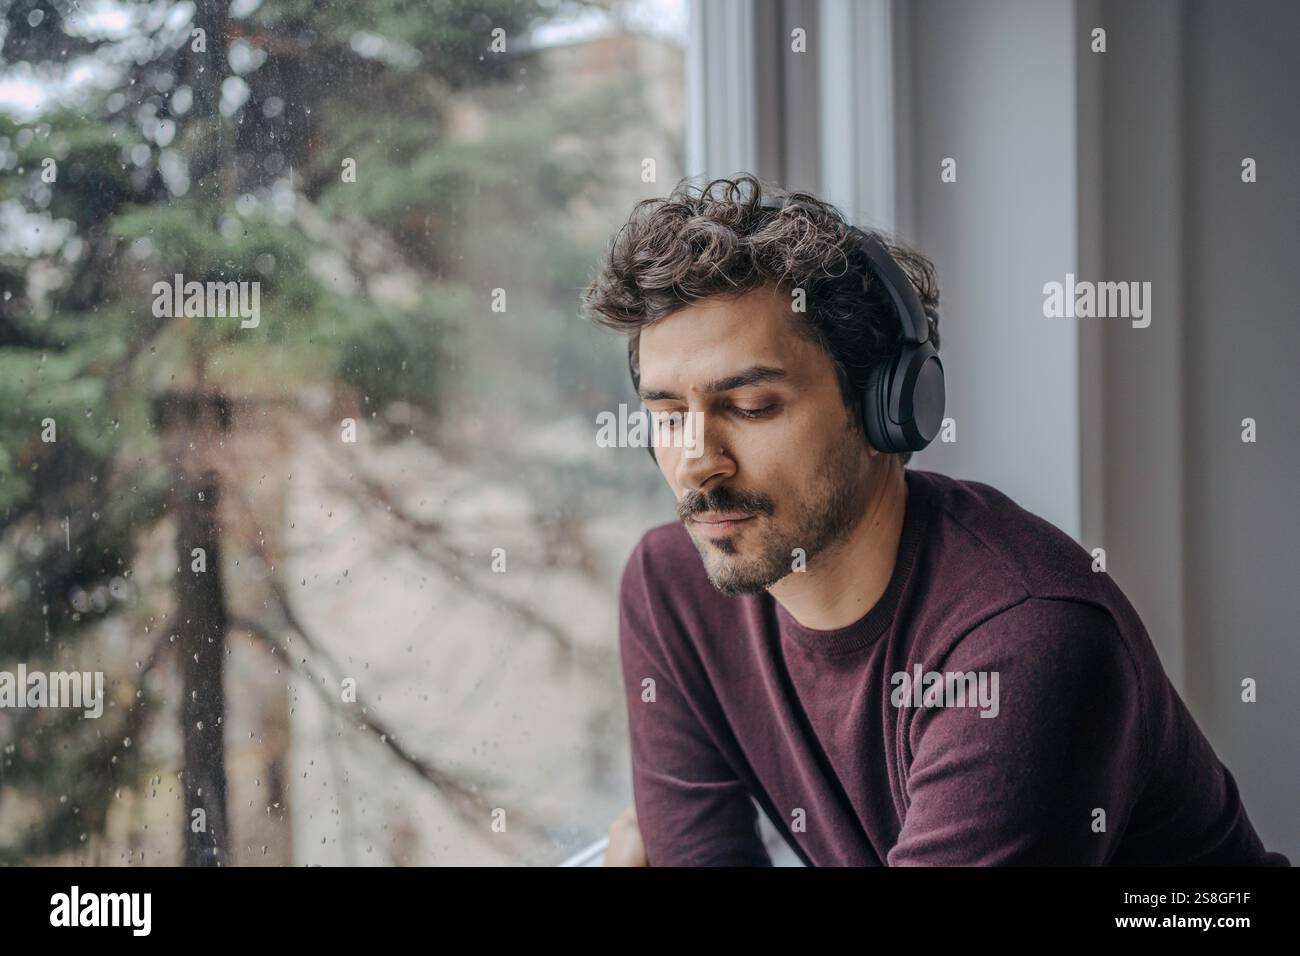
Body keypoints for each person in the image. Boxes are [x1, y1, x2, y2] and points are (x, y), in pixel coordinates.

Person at [583, 173, 1289, 867]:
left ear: (889, 409)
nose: (698, 463)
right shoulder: (673, 587)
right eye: (669, 415)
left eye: (754, 407)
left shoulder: (1025, 642)